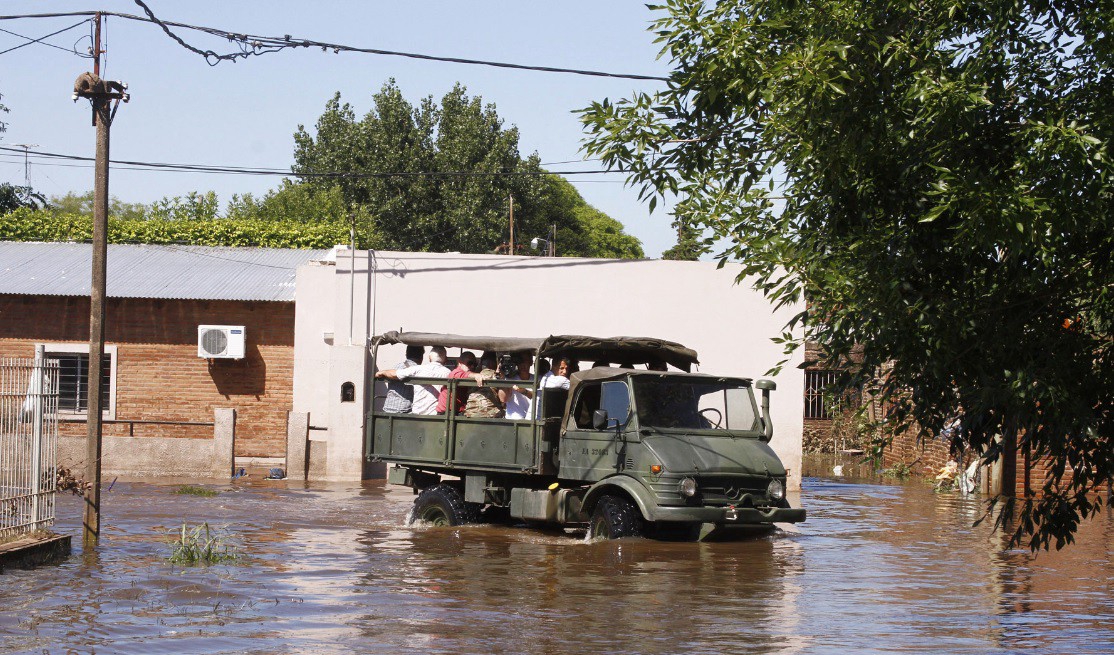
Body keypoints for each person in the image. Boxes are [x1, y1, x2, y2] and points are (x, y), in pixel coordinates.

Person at [375, 345, 449, 415]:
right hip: (413, 412)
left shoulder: (397, 367)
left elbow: (394, 374)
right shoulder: (448, 373)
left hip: (389, 409)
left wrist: (382, 372)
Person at [379, 344, 425, 413]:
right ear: (421, 357)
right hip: (404, 412)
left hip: (387, 409)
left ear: (406, 354)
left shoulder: (396, 367)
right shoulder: (419, 370)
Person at [464, 353, 504, 418]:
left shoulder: (474, 376)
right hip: (490, 414)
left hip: (471, 413)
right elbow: (503, 399)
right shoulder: (497, 377)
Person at [499, 352, 534, 420]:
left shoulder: (537, 379)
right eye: (520, 361)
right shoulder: (509, 379)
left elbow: (539, 397)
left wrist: (524, 391)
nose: (522, 365)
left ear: (531, 362)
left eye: (525, 361)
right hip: (513, 420)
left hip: (531, 420)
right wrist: (502, 377)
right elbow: (503, 399)